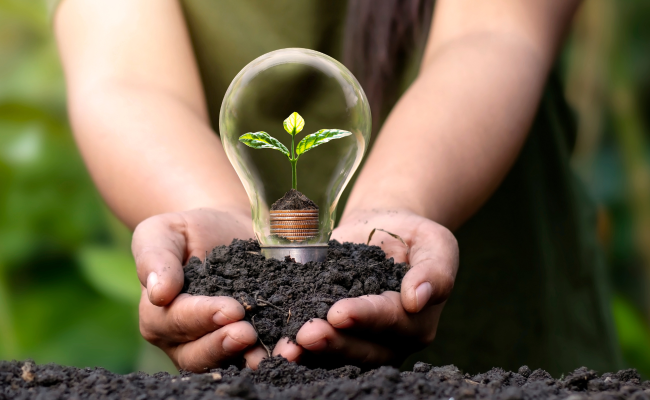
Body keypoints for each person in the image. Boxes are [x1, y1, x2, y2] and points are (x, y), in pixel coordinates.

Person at [54, 0, 621, 374]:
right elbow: (125, 78)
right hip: (225, 364)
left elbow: (495, 34)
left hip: (505, 355)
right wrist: (212, 217)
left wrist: (393, 210)